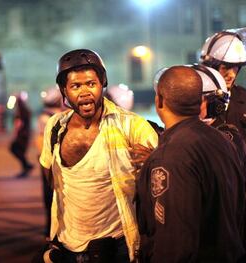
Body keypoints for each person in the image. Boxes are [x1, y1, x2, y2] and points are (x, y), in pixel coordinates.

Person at [38, 49, 158, 262]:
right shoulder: (54, 126)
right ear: (64, 90)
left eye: (91, 84)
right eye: (76, 86)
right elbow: (49, 175)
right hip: (67, 243)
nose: (85, 93)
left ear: (102, 84)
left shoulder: (130, 125)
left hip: (117, 246)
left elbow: (166, 172)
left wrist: (156, 160)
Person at [136, 66, 245, 262]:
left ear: (159, 100)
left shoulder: (170, 155)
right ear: (201, 102)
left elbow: (175, 243)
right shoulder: (223, 140)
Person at [199, 28, 246, 196]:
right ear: (211, 66)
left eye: (235, 68)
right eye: (224, 68)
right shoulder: (198, 99)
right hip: (216, 192)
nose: (230, 74)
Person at [36, 86, 64, 239]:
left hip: (47, 160)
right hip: (51, 161)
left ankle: (50, 229)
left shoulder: (45, 117)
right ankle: (51, 230)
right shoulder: (53, 118)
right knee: (52, 196)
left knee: (50, 196)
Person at [10, 91, 33, 178]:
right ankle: (26, 167)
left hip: (21, 135)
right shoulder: (26, 110)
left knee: (14, 148)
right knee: (21, 151)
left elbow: (18, 124)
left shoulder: (20, 112)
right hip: (26, 134)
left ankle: (26, 166)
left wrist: (15, 134)